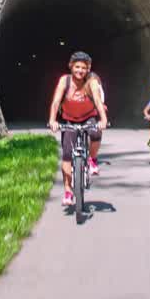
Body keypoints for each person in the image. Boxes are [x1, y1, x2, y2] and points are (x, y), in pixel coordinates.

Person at [48, 51, 109, 208]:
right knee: (67, 154)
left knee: (95, 133)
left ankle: (92, 159)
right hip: (69, 119)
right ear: (71, 66)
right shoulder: (65, 81)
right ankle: (68, 191)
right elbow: (56, 101)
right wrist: (53, 120)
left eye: (83, 67)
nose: (80, 70)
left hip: (88, 116)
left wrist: (103, 119)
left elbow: (97, 100)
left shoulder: (92, 82)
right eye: (77, 67)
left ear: (88, 68)